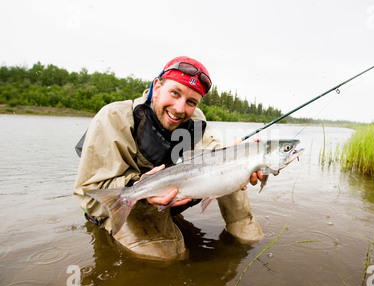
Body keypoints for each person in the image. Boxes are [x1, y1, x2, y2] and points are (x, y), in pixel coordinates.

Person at [74, 56, 264, 261]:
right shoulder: (113, 118)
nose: (180, 108)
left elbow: (214, 149)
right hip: (130, 200)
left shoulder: (195, 120)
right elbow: (88, 196)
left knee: (229, 166)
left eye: (191, 102)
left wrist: (242, 157)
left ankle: (247, 240)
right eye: (174, 93)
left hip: (173, 192)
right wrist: (141, 188)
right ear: (157, 87)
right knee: (171, 256)